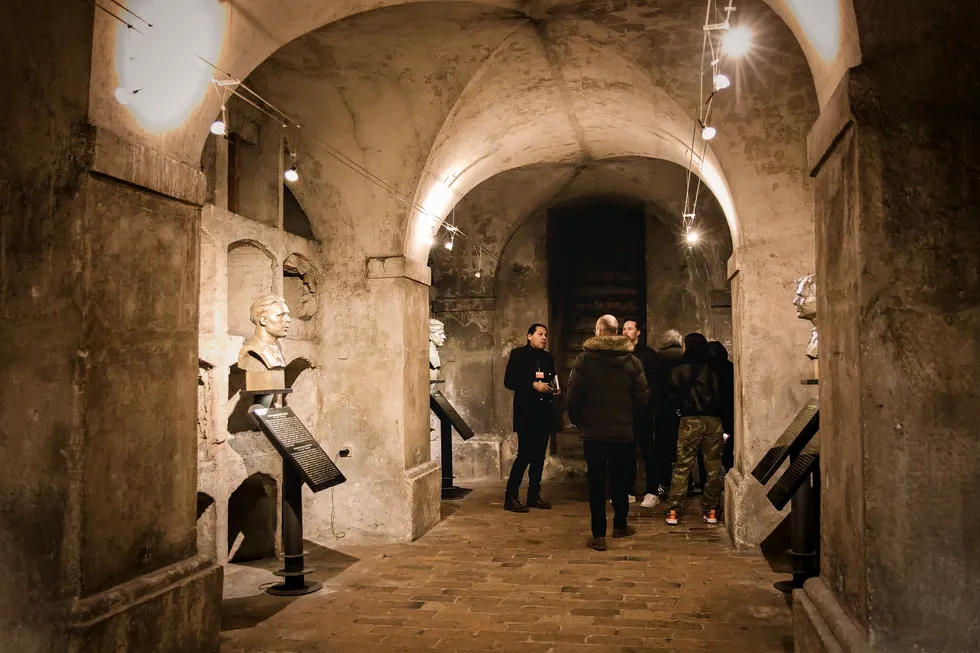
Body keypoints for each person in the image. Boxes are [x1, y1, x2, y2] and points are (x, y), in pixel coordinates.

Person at [566, 315, 649, 551]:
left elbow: (573, 395)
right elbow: (642, 398)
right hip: (623, 431)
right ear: (617, 332)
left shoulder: (584, 360)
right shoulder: (632, 361)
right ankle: (620, 524)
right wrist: (632, 422)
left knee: (596, 483)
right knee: (621, 480)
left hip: (594, 433)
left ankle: (599, 534)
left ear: (598, 331)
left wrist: (579, 421)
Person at [664, 333, 726, 526]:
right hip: (714, 421)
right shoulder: (714, 369)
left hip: (690, 420)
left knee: (683, 465)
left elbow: (671, 395)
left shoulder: (679, 369)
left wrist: (678, 411)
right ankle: (711, 510)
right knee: (714, 467)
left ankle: (673, 510)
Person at [503, 323, 558, 512]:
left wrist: (555, 389)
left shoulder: (548, 357)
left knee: (539, 456)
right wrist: (532, 384)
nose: (544, 338)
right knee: (524, 454)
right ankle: (510, 496)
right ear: (529, 336)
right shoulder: (518, 354)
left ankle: (534, 495)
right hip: (526, 412)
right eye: (540, 334)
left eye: (545, 335)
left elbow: (552, 378)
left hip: (544, 412)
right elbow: (509, 381)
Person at [621, 319, 661, 508]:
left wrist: (646, 404)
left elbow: (653, 384)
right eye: (623, 329)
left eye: (629, 329)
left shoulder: (648, 355)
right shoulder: (620, 353)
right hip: (625, 411)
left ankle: (652, 491)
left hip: (643, 411)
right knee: (627, 452)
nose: (625, 332)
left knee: (648, 451)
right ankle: (628, 490)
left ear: (638, 332)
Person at [652, 329, 684, 496]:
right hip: (682, 409)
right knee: (682, 448)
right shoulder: (685, 357)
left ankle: (664, 482)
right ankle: (684, 484)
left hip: (662, 409)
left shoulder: (658, 358)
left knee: (663, 447)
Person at [707, 341, 735, 471]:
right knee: (728, 446)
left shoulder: (707, 370)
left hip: (713, 414)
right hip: (729, 412)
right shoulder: (731, 368)